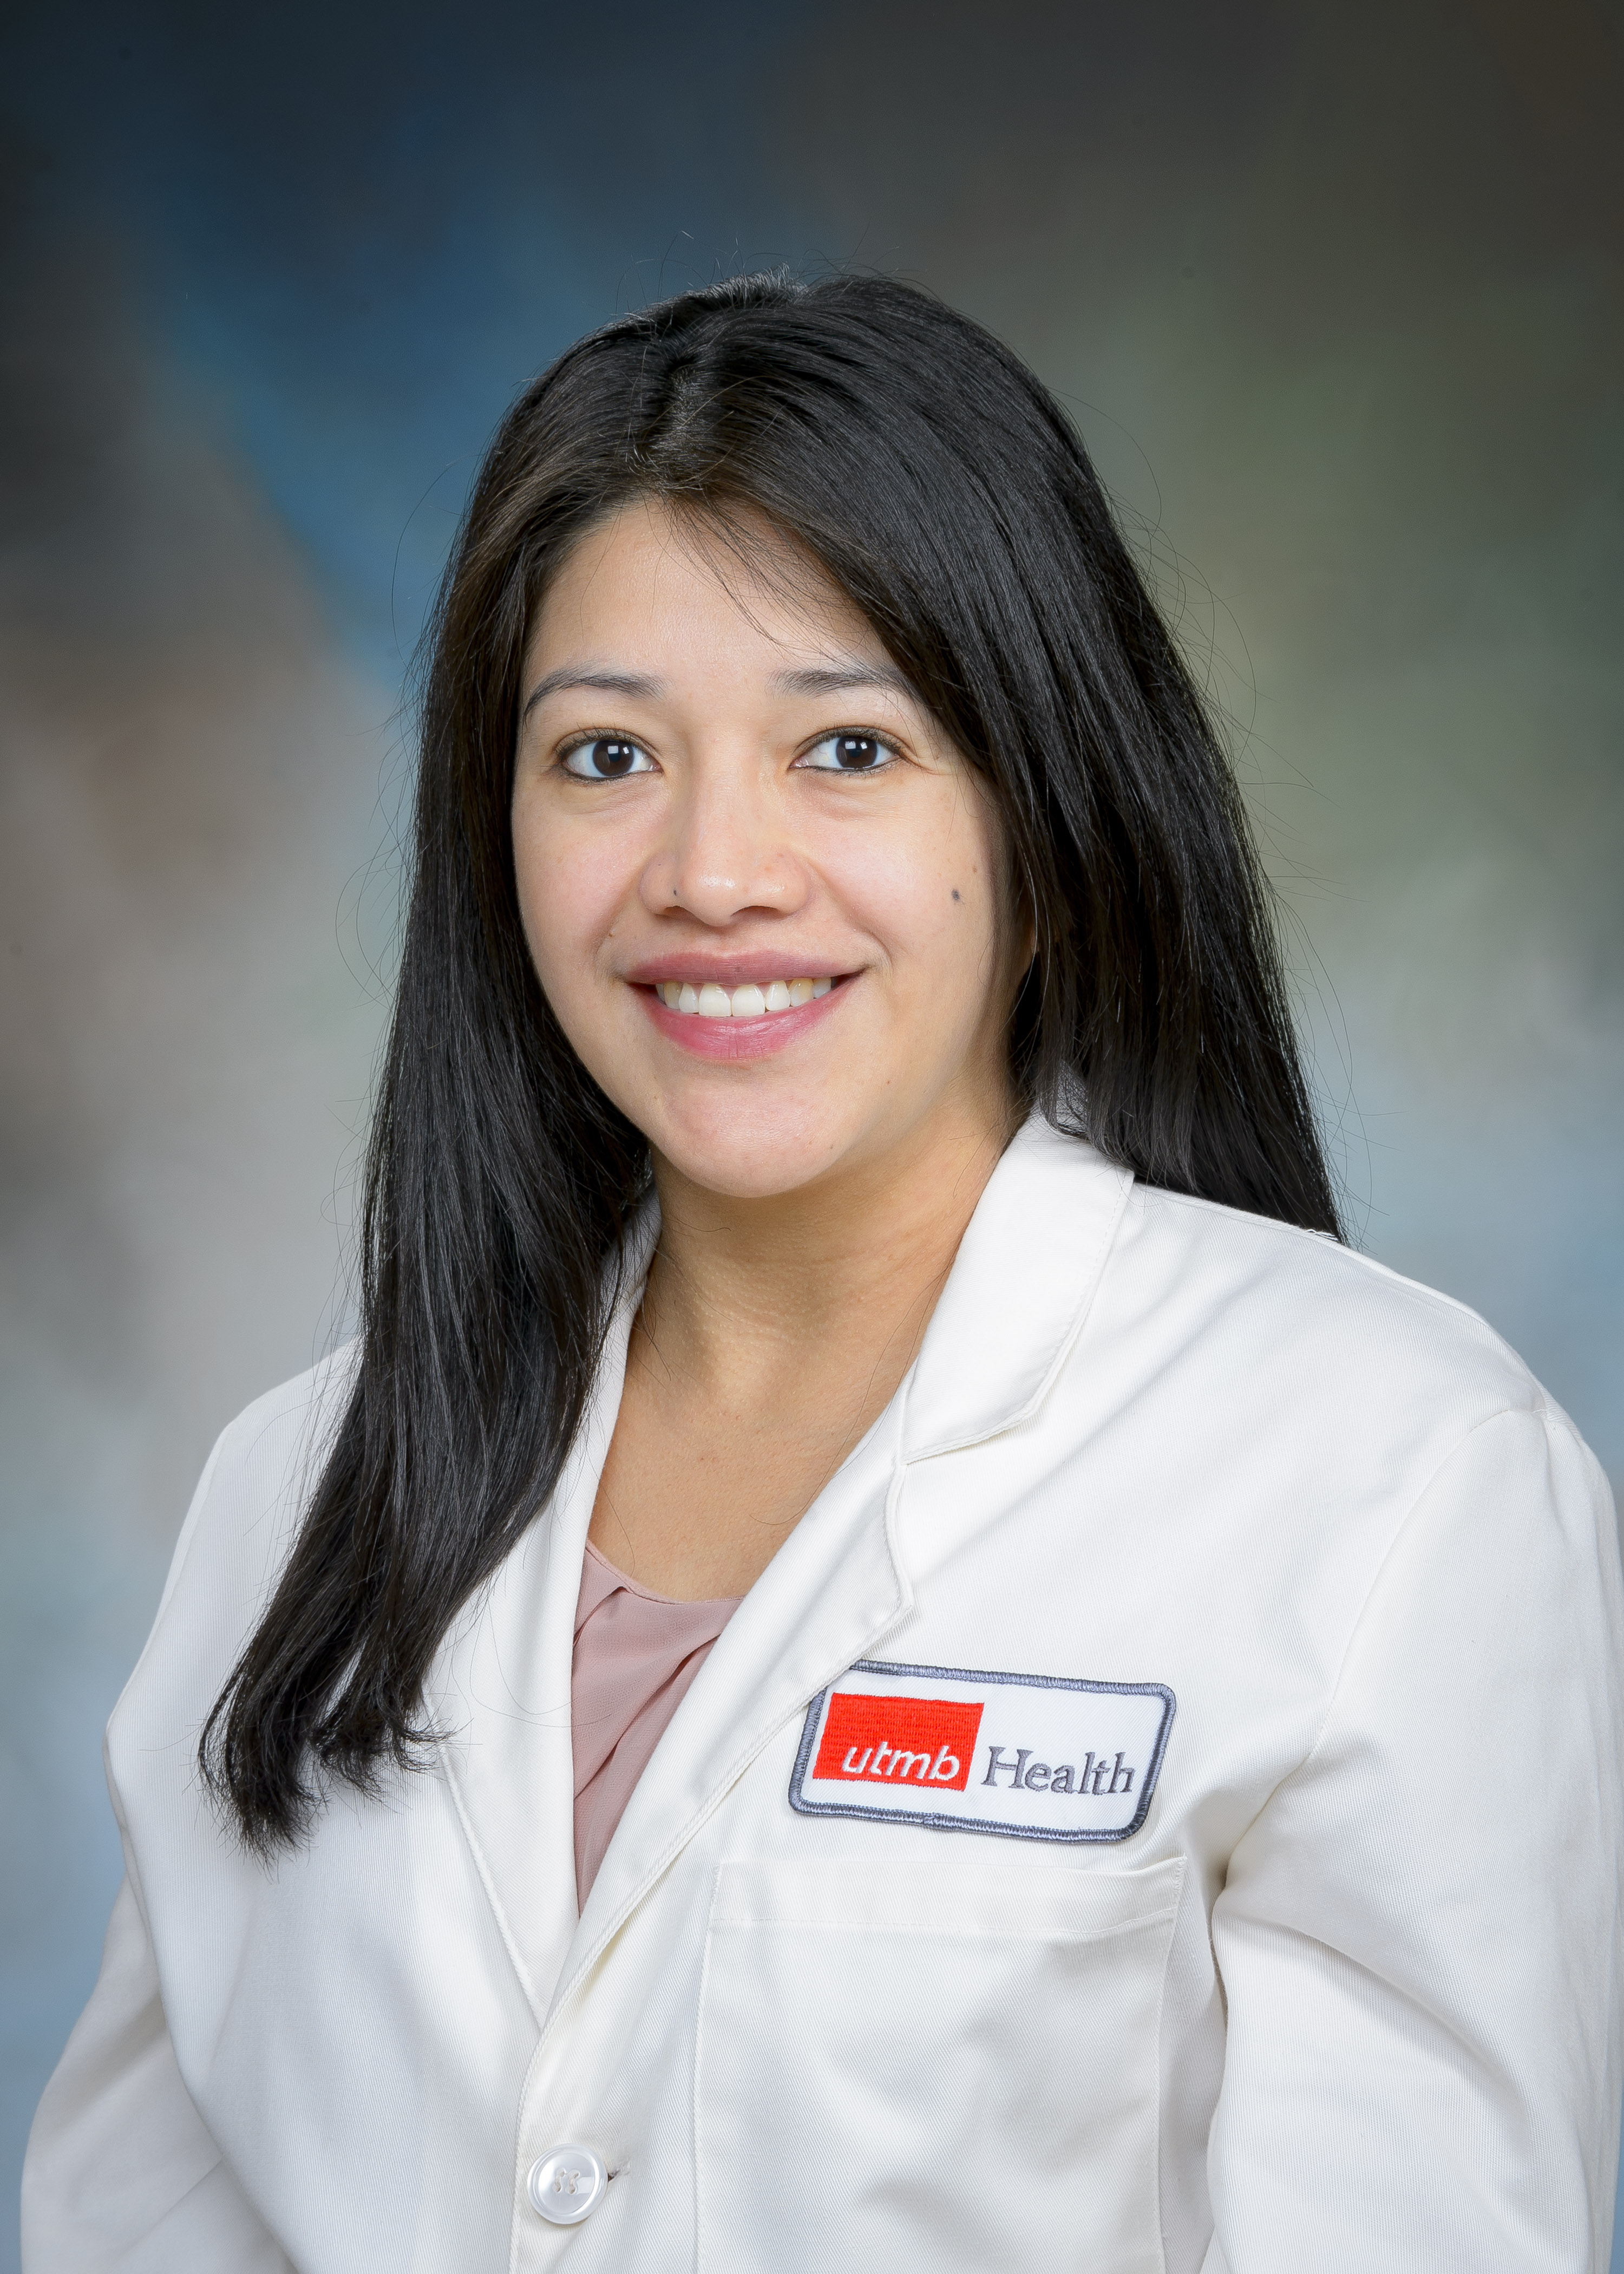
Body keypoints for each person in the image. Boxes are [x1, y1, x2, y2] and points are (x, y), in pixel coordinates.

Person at [22, 271, 1623, 2274]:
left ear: (1048, 813)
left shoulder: (1389, 1473)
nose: (714, 873)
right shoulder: (295, 1494)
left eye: (846, 749)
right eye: (605, 759)